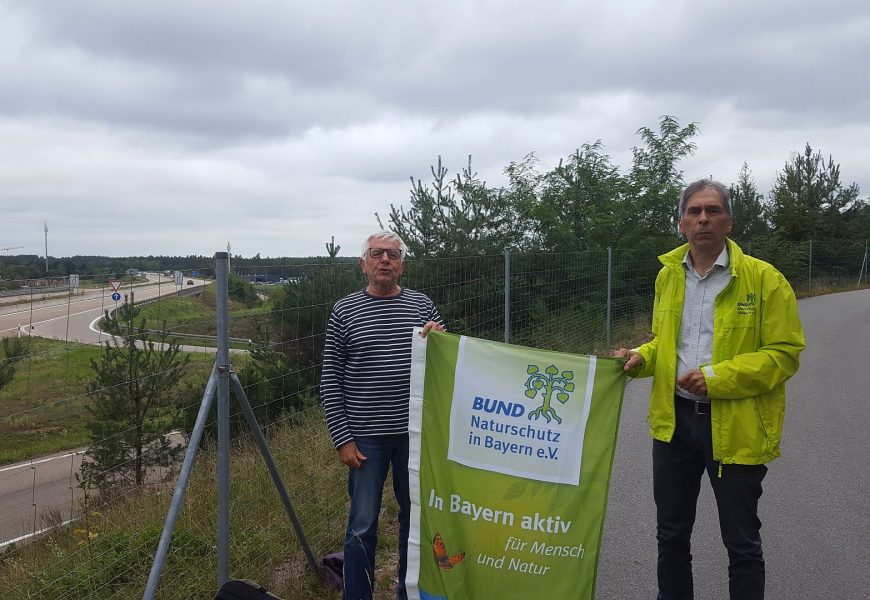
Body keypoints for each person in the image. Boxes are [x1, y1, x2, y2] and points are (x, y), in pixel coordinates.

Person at [614, 179, 806, 600]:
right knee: (671, 537)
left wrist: (717, 378)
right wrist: (643, 357)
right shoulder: (668, 277)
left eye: (713, 210)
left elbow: (784, 354)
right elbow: (667, 342)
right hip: (673, 426)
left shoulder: (765, 280)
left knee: (741, 543)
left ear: (729, 223)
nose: (703, 218)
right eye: (694, 211)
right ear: (681, 224)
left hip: (735, 429)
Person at [321, 231, 445, 600]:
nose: (386, 260)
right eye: (377, 254)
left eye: (393, 254)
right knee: (361, 526)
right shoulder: (344, 312)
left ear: (402, 264)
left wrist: (439, 338)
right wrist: (342, 438)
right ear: (364, 264)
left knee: (415, 522)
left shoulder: (423, 306)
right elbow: (330, 379)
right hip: (365, 440)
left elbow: (447, 361)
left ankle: (409, 594)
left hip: (415, 437)